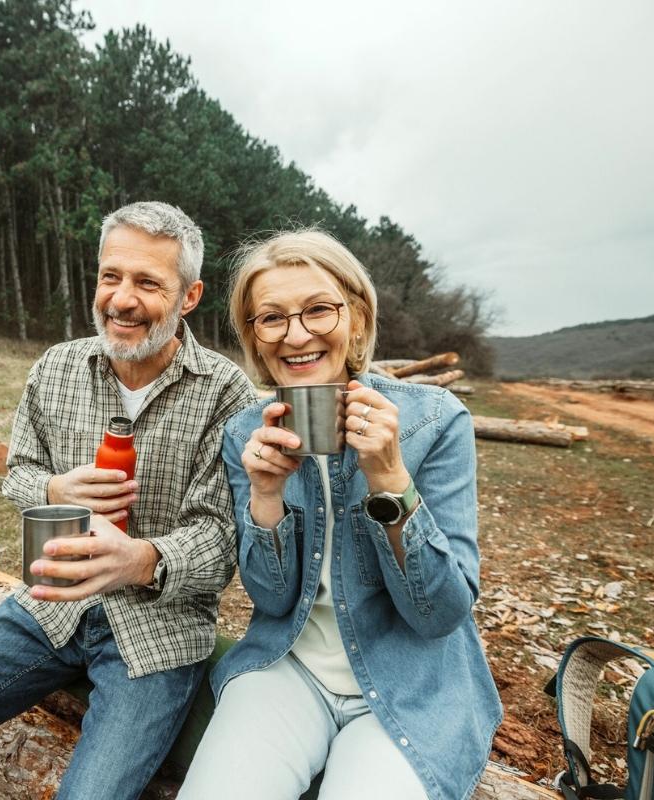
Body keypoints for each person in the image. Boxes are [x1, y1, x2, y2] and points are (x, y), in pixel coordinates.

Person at [0, 201, 257, 800]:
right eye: (111, 276)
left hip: (158, 631)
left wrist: (143, 559)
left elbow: (223, 537)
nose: (121, 299)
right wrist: (48, 489)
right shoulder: (56, 368)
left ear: (190, 296)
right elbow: (18, 472)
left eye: (148, 282)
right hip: (49, 605)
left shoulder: (227, 393)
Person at [178, 229, 501, 800]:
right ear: (254, 335)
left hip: (413, 683)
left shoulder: (434, 422)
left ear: (355, 316)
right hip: (288, 669)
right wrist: (266, 498)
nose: (295, 335)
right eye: (270, 318)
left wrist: (390, 480)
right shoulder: (245, 434)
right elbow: (274, 601)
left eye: (318, 310)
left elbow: (440, 614)